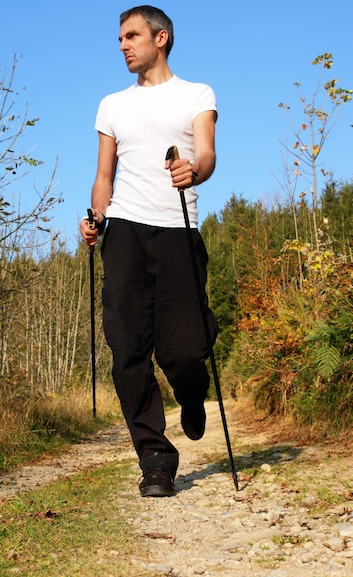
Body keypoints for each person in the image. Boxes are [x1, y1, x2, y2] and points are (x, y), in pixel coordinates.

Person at [79, 5, 218, 497]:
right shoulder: (111, 104)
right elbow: (104, 176)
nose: (123, 44)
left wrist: (193, 172)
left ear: (161, 38)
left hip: (177, 228)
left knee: (181, 347)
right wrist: (96, 220)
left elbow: (206, 154)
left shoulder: (196, 94)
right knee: (127, 348)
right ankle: (156, 460)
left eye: (132, 35)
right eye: (121, 38)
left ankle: (192, 387)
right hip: (126, 232)